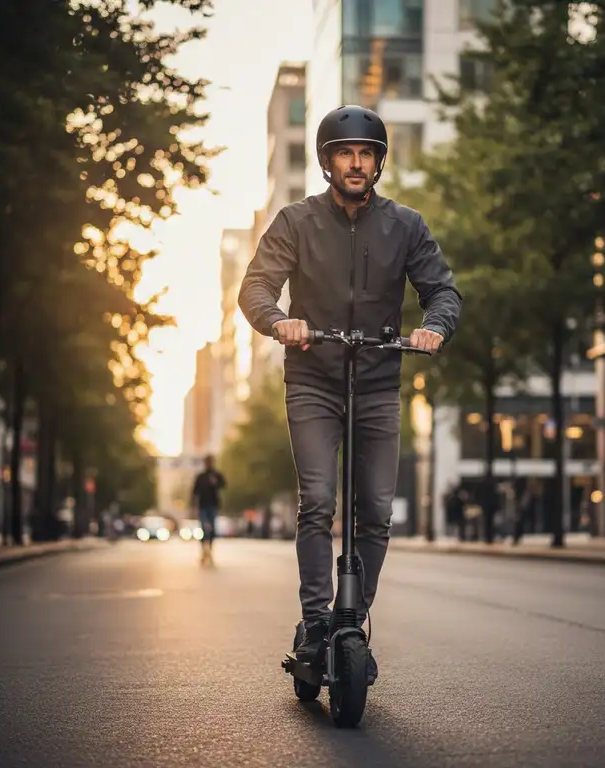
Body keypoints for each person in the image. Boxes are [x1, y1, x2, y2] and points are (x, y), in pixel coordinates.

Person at [238, 105, 462, 678]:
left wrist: (434, 326)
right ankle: (316, 621)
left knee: (377, 511)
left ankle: (351, 618)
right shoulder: (296, 222)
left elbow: (442, 290)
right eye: (345, 153)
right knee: (318, 501)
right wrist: (278, 321)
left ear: (378, 163)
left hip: (378, 381)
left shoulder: (405, 225)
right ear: (327, 162)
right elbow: (256, 287)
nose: (356, 163)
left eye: (366, 153)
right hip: (313, 379)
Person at [190, 454, 226, 565]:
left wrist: (216, 483)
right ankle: (203, 550)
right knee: (203, 529)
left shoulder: (217, 475)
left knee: (212, 529)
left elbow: (223, 485)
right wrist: (193, 506)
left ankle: (210, 549)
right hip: (203, 506)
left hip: (213, 505)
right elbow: (195, 492)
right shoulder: (201, 477)